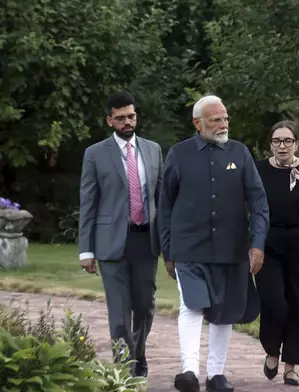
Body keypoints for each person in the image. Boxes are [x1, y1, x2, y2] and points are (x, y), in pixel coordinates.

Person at [158, 95, 269, 392]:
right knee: (192, 305)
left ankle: (216, 374)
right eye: (215, 120)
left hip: (232, 248)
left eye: (225, 118)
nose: (222, 124)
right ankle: (189, 371)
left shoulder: (240, 153)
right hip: (188, 248)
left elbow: (258, 202)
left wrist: (257, 244)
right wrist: (167, 250)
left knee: (225, 310)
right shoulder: (179, 155)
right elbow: (165, 205)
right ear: (198, 123)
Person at [78, 91, 164, 378]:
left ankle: (138, 354)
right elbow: (88, 203)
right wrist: (86, 250)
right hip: (110, 243)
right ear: (110, 120)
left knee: (144, 307)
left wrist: (168, 240)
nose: (128, 122)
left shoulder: (153, 150)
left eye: (131, 116)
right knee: (119, 311)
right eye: (121, 118)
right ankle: (125, 368)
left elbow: (161, 199)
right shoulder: (95, 154)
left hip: (145, 240)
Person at [254, 121, 299, 387]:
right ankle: (272, 350)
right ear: (270, 144)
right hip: (268, 243)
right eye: (276, 141)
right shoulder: (258, 170)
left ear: (297, 143)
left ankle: (291, 367)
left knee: (298, 305)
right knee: (274, 302)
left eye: (287, 141)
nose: (282, 146)